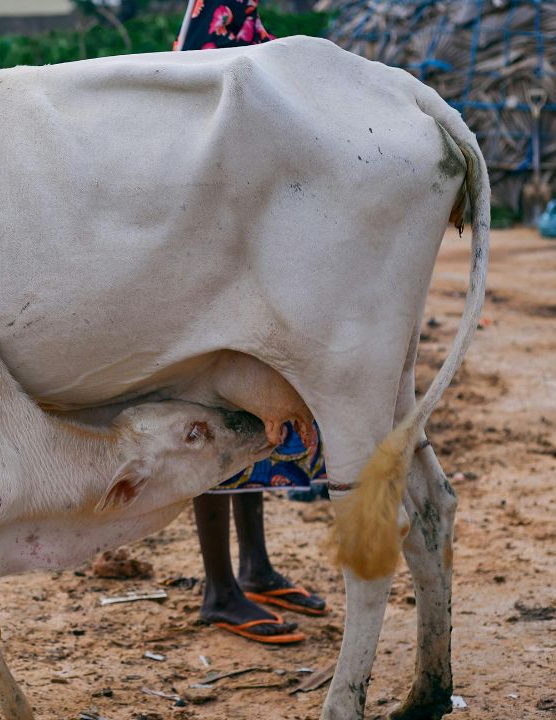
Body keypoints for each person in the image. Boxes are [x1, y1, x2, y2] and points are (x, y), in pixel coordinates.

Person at [175, 0, 329, 645]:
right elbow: (206, 107)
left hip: (240, 235)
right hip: (212, 236)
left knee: (250, 412)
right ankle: (219, 590)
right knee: (213, 406)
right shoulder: (217, 13)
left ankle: (255, 568)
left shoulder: (243, 14)